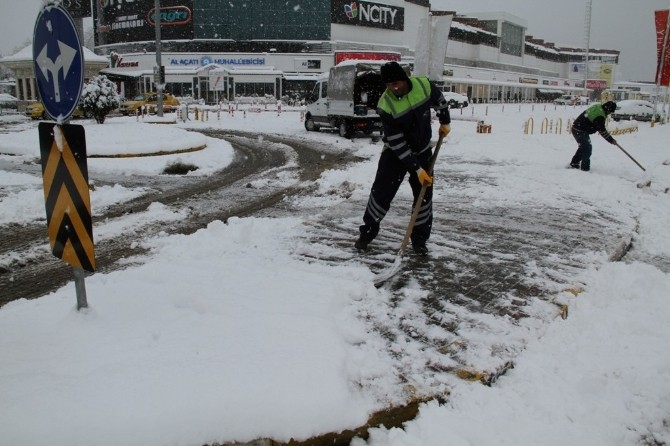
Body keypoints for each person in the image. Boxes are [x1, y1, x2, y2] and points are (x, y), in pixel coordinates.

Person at [355, 61, 451, 256]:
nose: (394, 88)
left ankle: (419, 241)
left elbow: (439, 99)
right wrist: (417, 170)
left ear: (405, 79)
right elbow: (397, 142)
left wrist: (445, 120)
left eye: (397, 83)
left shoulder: (423, 85)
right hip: (395, 153)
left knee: (423, 197)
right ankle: (367, 234)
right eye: (389, 85)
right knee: (381, 193)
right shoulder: (385, 104)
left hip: (423, 150)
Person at [570, 101, 617, 171]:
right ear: (608, 109)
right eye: (610, 112)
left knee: (584, 147)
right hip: (579, 130)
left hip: (578, 128)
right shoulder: (600, 116)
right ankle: (584, 169)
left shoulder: (599, 107)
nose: (610, 113)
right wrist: (611, 140)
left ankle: (574, 163)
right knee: (587, 148)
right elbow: (602, 131)